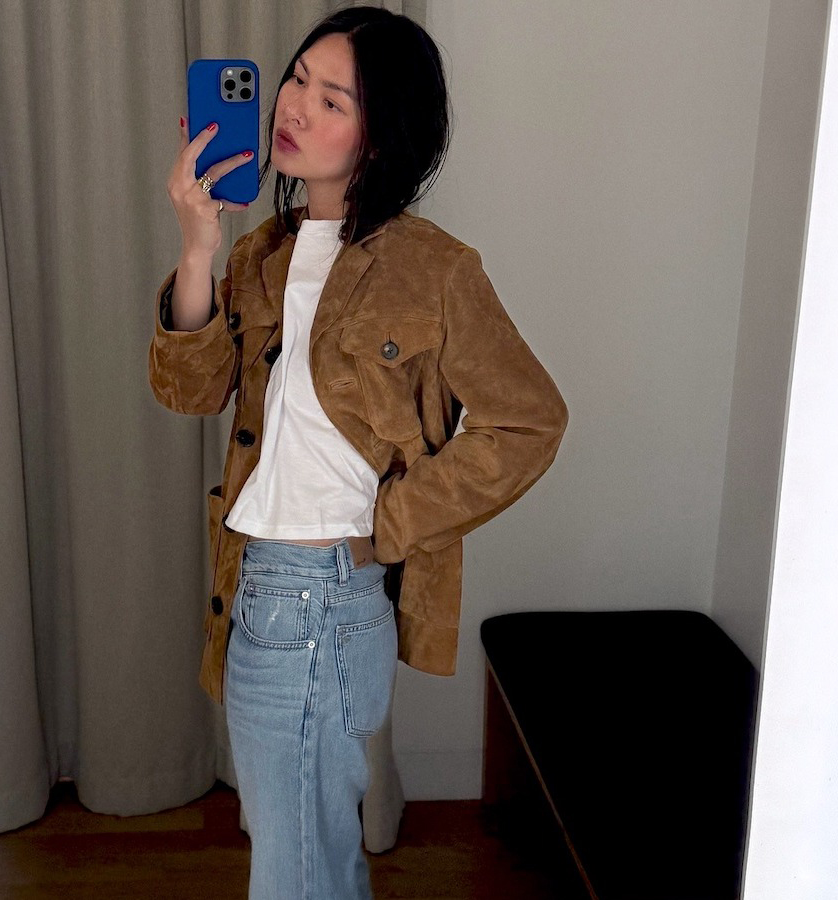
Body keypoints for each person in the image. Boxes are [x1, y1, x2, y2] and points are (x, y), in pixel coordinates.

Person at [150, 7, 569, 898]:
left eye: (331, 97)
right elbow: (188, 391)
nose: (294, 106)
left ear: (381, 134)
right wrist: (197, 246)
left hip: (322, 597)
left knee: (297, 866)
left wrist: (393, 523)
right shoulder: (262, 250)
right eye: (297, 80)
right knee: (308, 854)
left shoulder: (435, 268)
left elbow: (528, 420)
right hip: (255, 584)